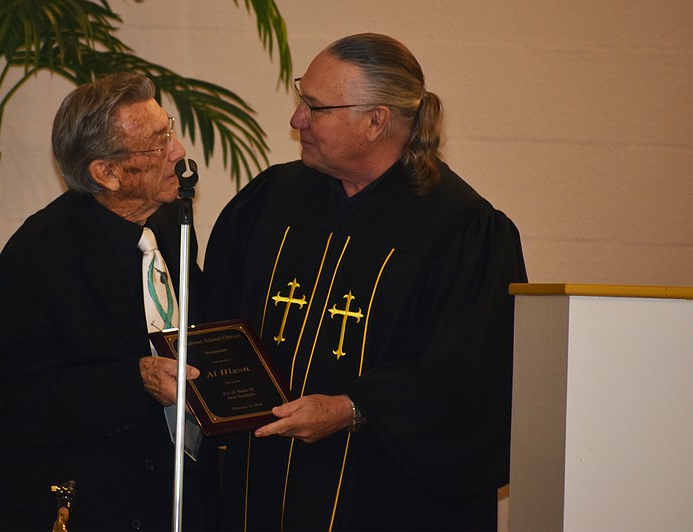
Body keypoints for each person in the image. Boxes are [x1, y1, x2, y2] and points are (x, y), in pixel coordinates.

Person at [202, 33, 528, 531]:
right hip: (260, 490)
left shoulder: (461, 230)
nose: (296, 120)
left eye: (315, 107)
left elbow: (471, 385)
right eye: (300, 99)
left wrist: (352, 409)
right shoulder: (271, 201)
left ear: (376, 121)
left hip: (385, 498)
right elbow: (217, 322)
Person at [0, 72, 217, 531]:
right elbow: (15, 400)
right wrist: (134, 382)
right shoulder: (39, 253)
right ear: (105, 173)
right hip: (82, 507)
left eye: (169, 129)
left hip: (167, 500)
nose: (178, 150)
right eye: (158, 142)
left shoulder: (170, 225)